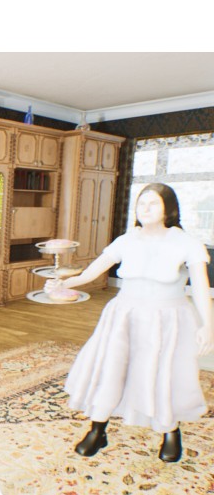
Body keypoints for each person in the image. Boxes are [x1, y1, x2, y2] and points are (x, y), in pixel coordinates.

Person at [46, 182, 213, 463]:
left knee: (165, 374)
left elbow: (200, 288)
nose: (145, 208)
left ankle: (170, 431)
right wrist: (63, 283)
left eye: (153, 203)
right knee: (111, 369)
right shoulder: (126, 240)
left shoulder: (187, 243)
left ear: (168, 209)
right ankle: (98, 429)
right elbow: (91, 273)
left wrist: (208, 325)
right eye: (141, 203)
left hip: (167, 318)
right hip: (124, 315)